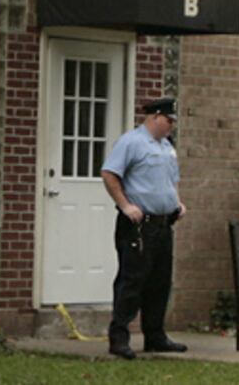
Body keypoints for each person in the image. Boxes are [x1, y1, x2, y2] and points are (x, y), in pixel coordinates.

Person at [100, 97, 187, 360]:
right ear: (155, 117)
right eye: (168, 120)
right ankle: (119, 337)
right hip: (138, 225)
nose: (171, 125)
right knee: (132, 280)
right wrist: (125, 205)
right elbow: (109, 174)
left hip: (163, 224)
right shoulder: (131, 142)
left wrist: (177, 202)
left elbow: (171, 180)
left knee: (160, 281)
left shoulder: (166, 147)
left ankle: (155, 335)